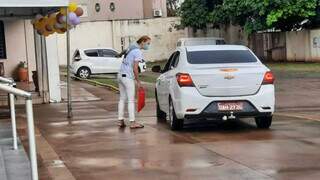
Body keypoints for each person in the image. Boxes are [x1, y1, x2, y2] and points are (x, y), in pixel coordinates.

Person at [117, 35, 151, 129]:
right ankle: (132, 122)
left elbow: (123, 52)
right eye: (148, 43)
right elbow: (135, 68)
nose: (148, 45)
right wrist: (138, 81)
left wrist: (119, 55)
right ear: (142, 42)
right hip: (127, 77)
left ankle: (120, 121)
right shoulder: (137, 51)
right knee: (131, 100)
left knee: (122, 99)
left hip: (120, 75)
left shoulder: (132, 46)